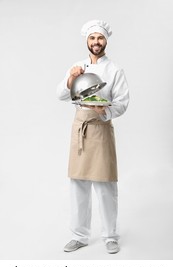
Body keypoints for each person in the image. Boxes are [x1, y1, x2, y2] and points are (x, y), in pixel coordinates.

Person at [57, 19, 129, 254]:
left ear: (106, 40)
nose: (96, 42)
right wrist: (71, 78)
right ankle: (79, 235)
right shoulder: (78, 66)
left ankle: (110, 236)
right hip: (80, 127)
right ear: (86, 41)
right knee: (78, 182)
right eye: (92, 38)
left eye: (99, 38)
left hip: (101, 127)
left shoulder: (115, 70)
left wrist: (104, 111)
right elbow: (61, 94)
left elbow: (122, 103)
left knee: (106, 183)